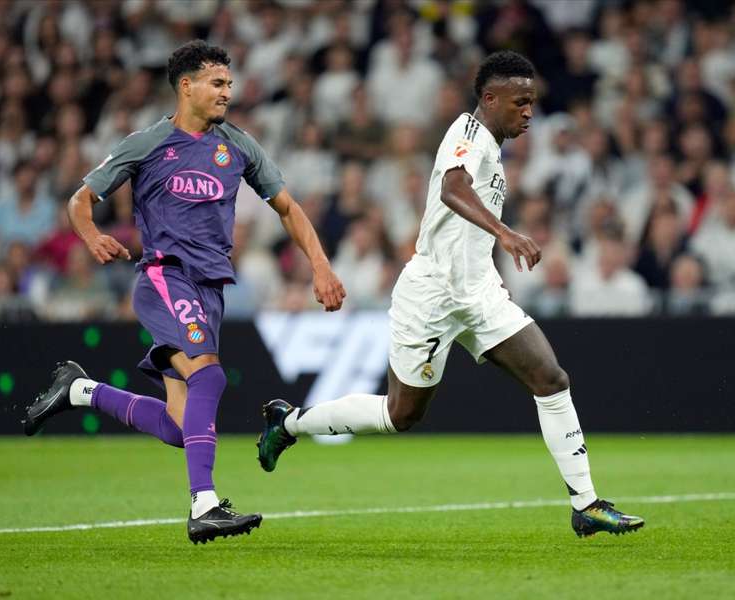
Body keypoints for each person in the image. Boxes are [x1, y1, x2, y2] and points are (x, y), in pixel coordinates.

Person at [257, 50, 644, 538]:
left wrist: (490, 258)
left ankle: (585, 505)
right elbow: (452, 190)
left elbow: (466, 229)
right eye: (520, 102)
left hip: (478, 291)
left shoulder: (493, 148)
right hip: (432, 294)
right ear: (490, 98)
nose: (529, 112)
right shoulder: (466, 135)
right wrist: (505, 233)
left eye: (533, 102)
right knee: (401, 415)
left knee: (551, 378)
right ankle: (288, 422)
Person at [22, 41, 346, 544]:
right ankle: (205, 504)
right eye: (217, 83)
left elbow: (288, 208)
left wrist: (321, 267)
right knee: (209, 379)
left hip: (209, 288)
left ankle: (79, 390)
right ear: (186, 85)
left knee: (179, 426)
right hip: (164, 277)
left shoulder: (238, 146)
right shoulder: (146, 143)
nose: (227, 93)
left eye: (230, 84)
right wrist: (90, 235)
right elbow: (80, 199)